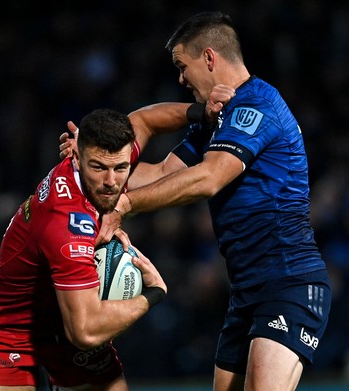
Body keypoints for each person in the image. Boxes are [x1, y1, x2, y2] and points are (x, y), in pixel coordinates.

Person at [63, 11, 332, 391]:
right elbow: (157, 174)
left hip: (289, 282)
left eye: (181, 65)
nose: (180, 78)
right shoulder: (215, 122)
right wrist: (91, 159)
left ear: (209, 58)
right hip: (246, 292)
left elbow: (209, 178)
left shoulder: (258, 106)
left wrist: (126, 205)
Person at [0, 109, 172, 391]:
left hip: (67, 317)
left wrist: (203, 113)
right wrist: (153, 295)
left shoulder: (108, 154)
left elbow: (147, 121)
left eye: (121, 168)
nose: (111, 181)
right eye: (98, 167)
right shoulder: (67, 224)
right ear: (76, 157)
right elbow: (84, 332)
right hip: (9, 330)